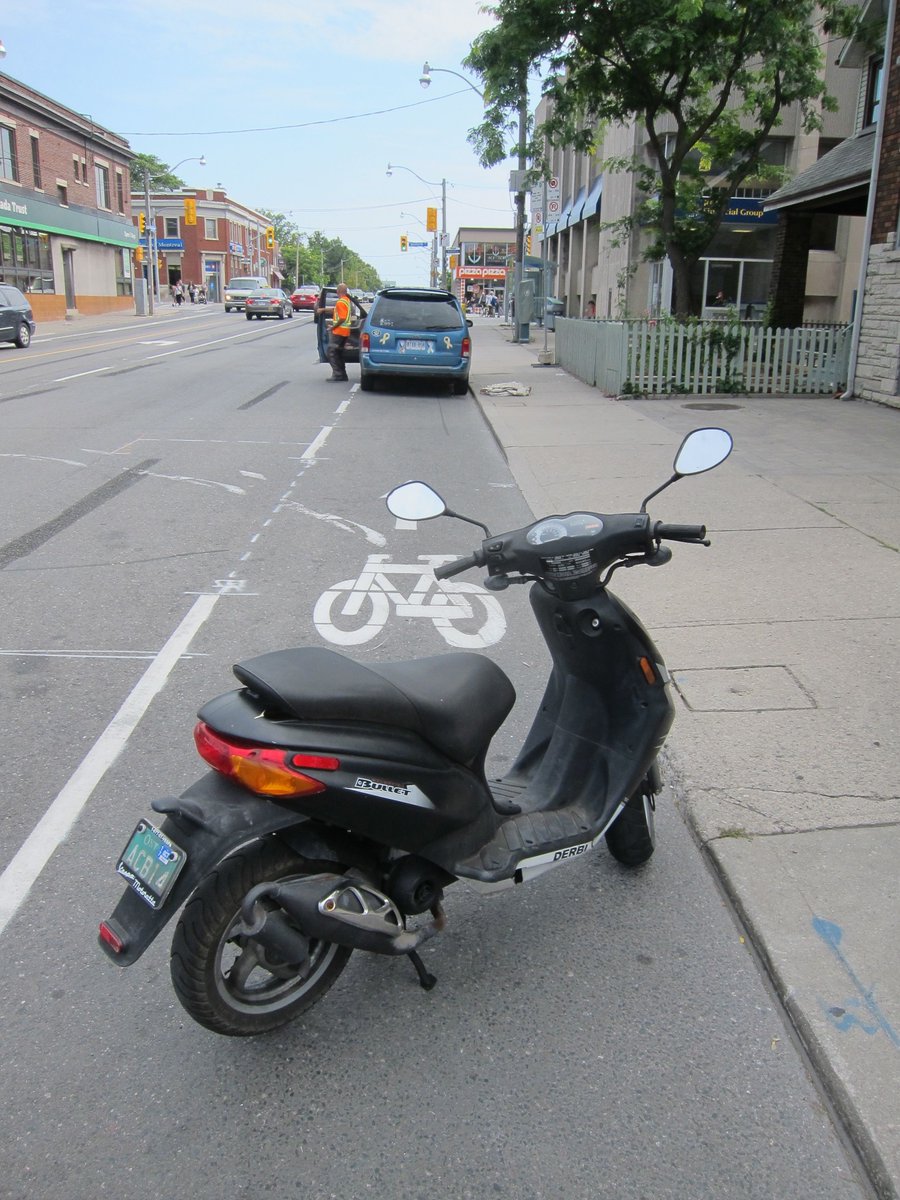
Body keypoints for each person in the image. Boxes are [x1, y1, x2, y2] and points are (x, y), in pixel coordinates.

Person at [316, 283, 352, 381]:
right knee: (338, 353)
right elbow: (336, 310)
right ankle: (342, 374)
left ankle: (338, 374)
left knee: (331, 352)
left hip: (339, 331)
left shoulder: (340, 302)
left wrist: (333, 327)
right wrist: (323, 309)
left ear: (338, 291)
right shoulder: (346, 301)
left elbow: (342, 317)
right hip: (345, 332)